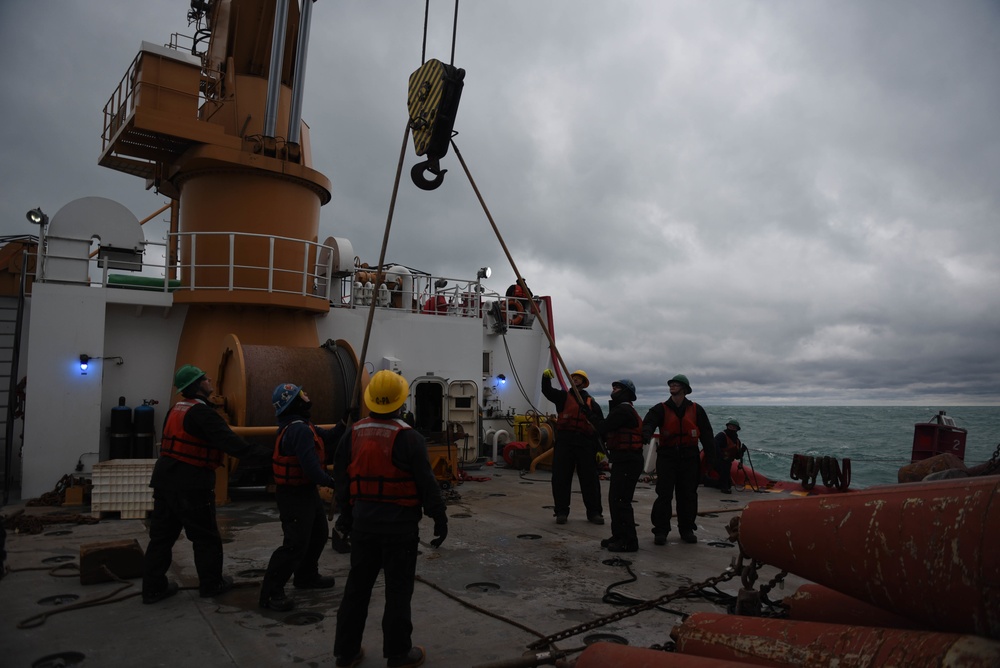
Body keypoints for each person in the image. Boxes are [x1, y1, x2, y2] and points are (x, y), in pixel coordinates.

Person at [333, 371, 448, 668]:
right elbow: (426, 482)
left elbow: (343, 481)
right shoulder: (409, 437)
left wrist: (345, 517)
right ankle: (398, 654)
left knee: (356, 590)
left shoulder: (353, 433)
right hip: (399, 531)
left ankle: (346, 653)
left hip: (363, 527)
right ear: (400, 402)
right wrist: (439, 516)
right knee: (398, 592)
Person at [142, 364, 265, 603]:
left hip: (165, 481)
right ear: (198, 386)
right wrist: (274, 456)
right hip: (191, 484)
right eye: (205, 379)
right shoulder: (203, 414)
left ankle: (153, 588)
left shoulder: (176, 409)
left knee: (161, 538)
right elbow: (235, 445)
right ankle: (212, 584)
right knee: (206, 537)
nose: (210, 381)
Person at [258, 383, 344, 611]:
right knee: (295, 544)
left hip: (303, 493)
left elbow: (327, 436)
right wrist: (334, 483)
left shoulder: (302, 425)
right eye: (303, 395)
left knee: (317, 534)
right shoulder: (299, 430)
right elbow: (311, 469)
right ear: (295, 403)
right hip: (295, 496)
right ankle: (271, 593)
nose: (308, 397)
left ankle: (306, 576)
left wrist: (345, 422)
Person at [641, 374, 716, 545]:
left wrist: (711, 458)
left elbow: (707, 434)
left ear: (685, 389)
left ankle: (687, 529)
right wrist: (646, 432)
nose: (672, 385)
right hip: (667, 457)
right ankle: (661, 531)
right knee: (664, 495)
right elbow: (649, 422)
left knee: (688, 495)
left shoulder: (697, 409)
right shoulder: (660, 408)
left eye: (676, 384)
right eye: (671, 384)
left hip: (689, 456)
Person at [541, 368, 605, 525]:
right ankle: (561, 512)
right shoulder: (563, 397)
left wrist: (600, 451)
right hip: (565, 442)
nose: (575, 379)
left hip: (585, 443)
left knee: (590, 480)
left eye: (578, 378)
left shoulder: (592, 404)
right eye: (573, 377)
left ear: (584, 383)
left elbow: (600, 427)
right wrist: (545, 378)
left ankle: (594, 513)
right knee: (560, 478)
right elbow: (547, 391)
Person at [591, 379, 644, 552]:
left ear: (626, 392)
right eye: (613, 386)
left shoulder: (623, 410)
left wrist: (590, 414)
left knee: (621, 500)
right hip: (623, 459)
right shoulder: (621, 409)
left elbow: (603, 427)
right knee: (615, 499)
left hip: (629, 461)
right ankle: (619, 535)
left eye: (618, 387)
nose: (613, 389)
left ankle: (629, 541)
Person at [708, 419, 743, 494]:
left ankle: (707, 481)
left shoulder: (737, 441)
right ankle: (724, 488)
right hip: (716, 461)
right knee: (725, 469)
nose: (732, 429)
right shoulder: (721, 436)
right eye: (730, 427)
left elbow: (737, 456)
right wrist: (721, 457)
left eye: (734, 427)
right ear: (727, 427)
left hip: (727, 462)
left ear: (737, 429)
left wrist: (742, 451)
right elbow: (714, 448)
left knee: (729, 484)